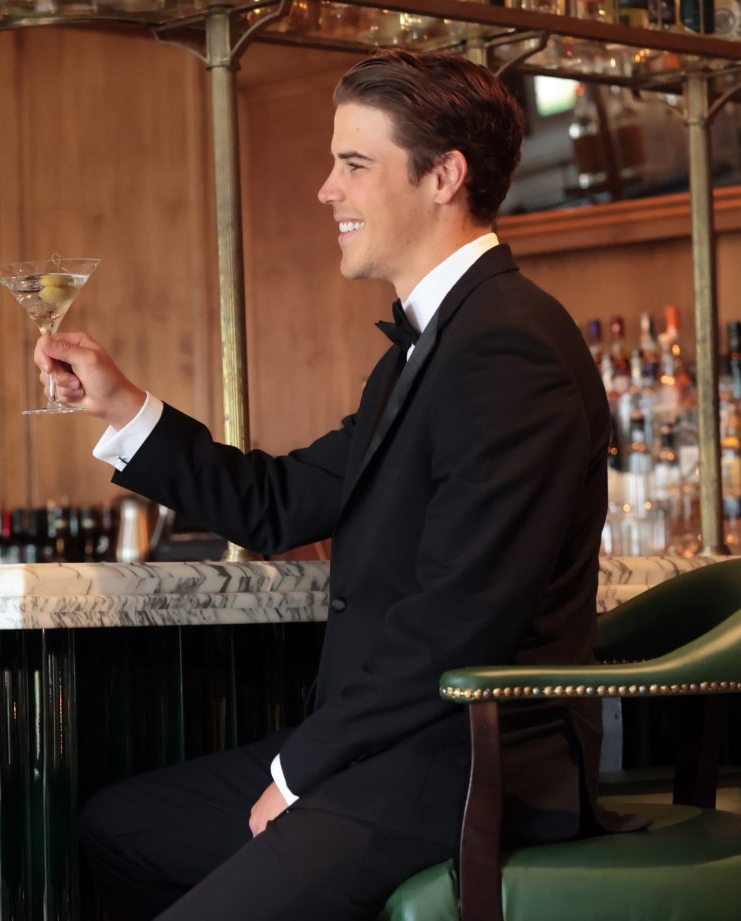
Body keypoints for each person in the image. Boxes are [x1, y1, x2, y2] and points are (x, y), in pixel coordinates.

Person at [36, 50, 616, 920]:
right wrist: (121, 404)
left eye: (353, 164)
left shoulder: (509, 344)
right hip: (391, 748)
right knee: (119, 827)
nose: (325, 190)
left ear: (443, 177)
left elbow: (459, 617)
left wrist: (298, 770)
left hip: (466, 766)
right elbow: (277, 503)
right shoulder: (430, 347)